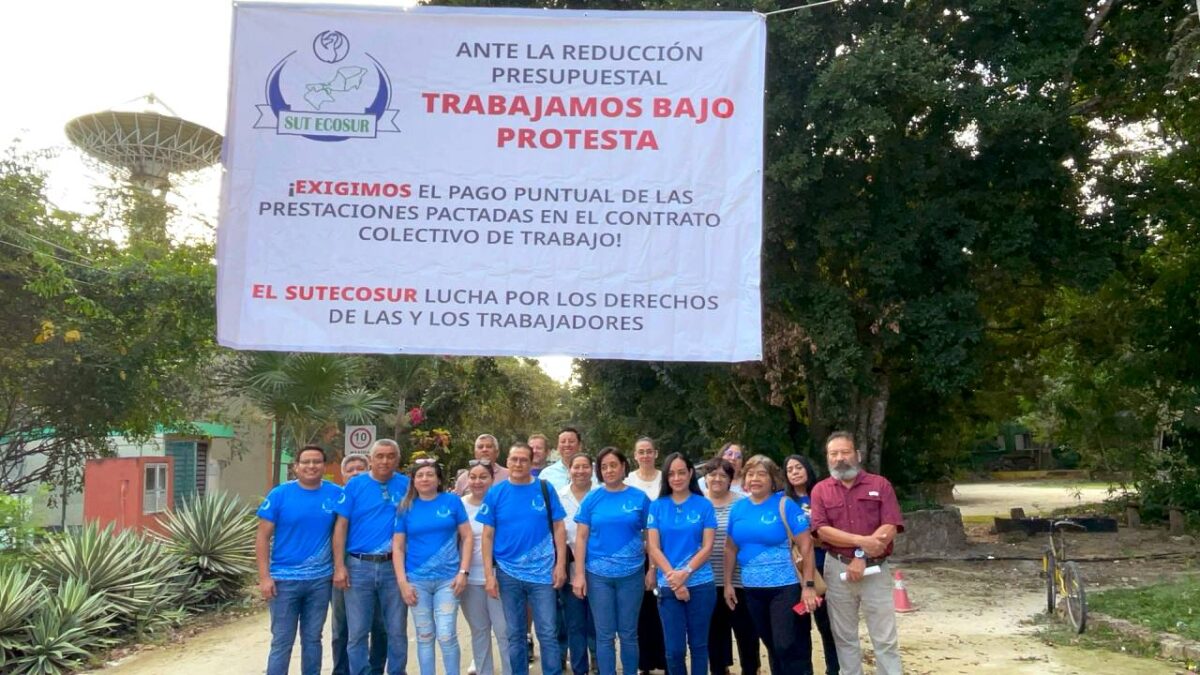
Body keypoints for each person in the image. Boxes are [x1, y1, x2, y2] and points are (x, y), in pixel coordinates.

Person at [810, 432, 905, 675]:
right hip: (837, 569)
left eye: (845, 452)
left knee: (884, 638)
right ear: (827, 458)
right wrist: (861, 542)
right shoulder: (821, 490)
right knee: (844, 638)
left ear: (858, 455)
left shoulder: (880, 484)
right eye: (834, 454)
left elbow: (891, 526)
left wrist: (860, 555)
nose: (840, 458)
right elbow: (822, 531)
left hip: (876, 569)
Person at [478, 442, 568, 675]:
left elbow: (559, 528)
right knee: (515, 633)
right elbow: (487, 536)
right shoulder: (496, 493)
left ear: (531, 462)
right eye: (514, 459)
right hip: (508, 573)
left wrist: (560, 565)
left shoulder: (545, 489)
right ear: (507, 462)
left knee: (548, 631)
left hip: (543, 572)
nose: (518, 464)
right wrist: (489, 575)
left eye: (523, 460)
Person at [724, 455, 818, 675]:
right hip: (752, 589)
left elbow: (806, 545)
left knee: (786, 643)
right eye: (750, 474)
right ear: (744, 479)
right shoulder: (738, 509)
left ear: (772, 478)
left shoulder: (785, 504)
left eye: (761, 473)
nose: (755, 478)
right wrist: (728, 583)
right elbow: (730, 548)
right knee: (772, 645)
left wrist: (809, 585)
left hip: (786, 587)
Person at [255, 445, 343, 675]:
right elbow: (262, 537)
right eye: (306, 462)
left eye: (316, 461)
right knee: (282, 640)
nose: (311, 466)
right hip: (284, 581)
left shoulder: (335, 494)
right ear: (296, 467)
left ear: (324, 466)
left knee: (313, 639)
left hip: (320, 580)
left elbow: (344, 532)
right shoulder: (279, 495)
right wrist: (265, 578)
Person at [333, 439, 412, 675]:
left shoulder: (408, 485)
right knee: (357, 631)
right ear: (371, 459)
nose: (385, 461)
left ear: (397, 459)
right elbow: (341, 526)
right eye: (380, 456)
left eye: (390, 456)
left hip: (394, 568)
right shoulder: (355, 486)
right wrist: (339, 566)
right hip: (358, 566)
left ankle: (395, 671)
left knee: (395, 630)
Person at [573, 447, 650, 675]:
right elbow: (581, 537)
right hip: (598, 577)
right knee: (604, 634)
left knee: (628, 633)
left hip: (632, 575)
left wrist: (652, 568)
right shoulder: (592, 499)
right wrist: (578, 575)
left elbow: (652, 536)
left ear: (624, 466)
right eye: (604, 466)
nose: (609, 470)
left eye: (613, 465)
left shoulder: (639, 498)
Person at [394, 460, 472, 675]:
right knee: (425, 636)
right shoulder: (405, 506)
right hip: (417, 580)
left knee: (446, 635)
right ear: (413, 481)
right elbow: (398, 547)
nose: (425, 478)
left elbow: (466, 537)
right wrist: (403, 583)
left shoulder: (452, 502)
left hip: (448, 580)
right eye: (420, 475)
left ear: (438, 479)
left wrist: (463, 572)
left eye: (430, 474)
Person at [646, 453, 717, 675]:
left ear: (690, 473)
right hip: (668, 585)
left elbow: (707, 547)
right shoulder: (657, 506)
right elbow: (654, 547)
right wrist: (675, 581)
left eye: (681, 472)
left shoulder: (704, 505)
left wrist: (685, 573)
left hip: (701, 584)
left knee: (699, 646)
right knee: (674, 651)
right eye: (671, 474)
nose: (676, 478)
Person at [702, 458, 760, 675]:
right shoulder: (697, 503)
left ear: (730, 479)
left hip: (739, 580)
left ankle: (751, 670)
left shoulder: (743, 503)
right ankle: (719, 670)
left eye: (723, 475)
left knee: (746, 633)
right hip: (706, 579)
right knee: (714, 634)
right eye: (712, 474)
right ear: (705, 478)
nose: (717, 479)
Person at [332, 454, 388, 675]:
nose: (355, 472)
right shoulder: (337, 498)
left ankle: (375, 669)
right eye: (350, 469)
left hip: (374, 569)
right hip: (341, 569)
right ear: (343, 476)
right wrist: (338, 567)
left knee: (379, 625)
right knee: (342, 628)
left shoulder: (378, 497)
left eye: (360, 468)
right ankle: (341, 670)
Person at [784, 455, 839, 675]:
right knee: (799, 626)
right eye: (790, 469)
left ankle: (833, 669)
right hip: (796, 569)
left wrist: (812, 538)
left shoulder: (823, 494)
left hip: (824, 565)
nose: (795, 472)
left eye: (799, 467)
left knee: (827, 625)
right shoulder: (783, 501)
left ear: (808, 468)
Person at [461, 460, 513, 675]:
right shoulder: (460, 505)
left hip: (499, 577)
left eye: (483, 477)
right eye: (473, 477)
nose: (477, 481)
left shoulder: (502, 502)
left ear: (492, 479)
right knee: (479, 631)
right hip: (470, 578)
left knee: (504, 631)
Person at [623, 437, 667, 675]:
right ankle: (644, 663)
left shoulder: (665, 479)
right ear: (635, 455)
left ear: (656, 453)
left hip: (666, 550)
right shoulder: (628, 481)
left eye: (649, 451)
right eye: (641, 451)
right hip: (637, 553)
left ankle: (665, 658)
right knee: (641, 609)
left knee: (664, 606)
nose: (646, 455)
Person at [558, 453, 598, 675]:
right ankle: (579, 667)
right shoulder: (559, 497)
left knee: (597, 622)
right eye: (576, 467)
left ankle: (598, 661)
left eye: (585, 466)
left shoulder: (601, 494)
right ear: (569, 470)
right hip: (569, 565)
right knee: (574, 622)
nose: (580, 471)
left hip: (600, 566)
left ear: (591, 469)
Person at [540, 427, 595, 491]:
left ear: (580, 445)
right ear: (557, 447)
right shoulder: (546, 474)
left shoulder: (595, 470)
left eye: (571, 441)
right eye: (563, 442)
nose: (567, 445)